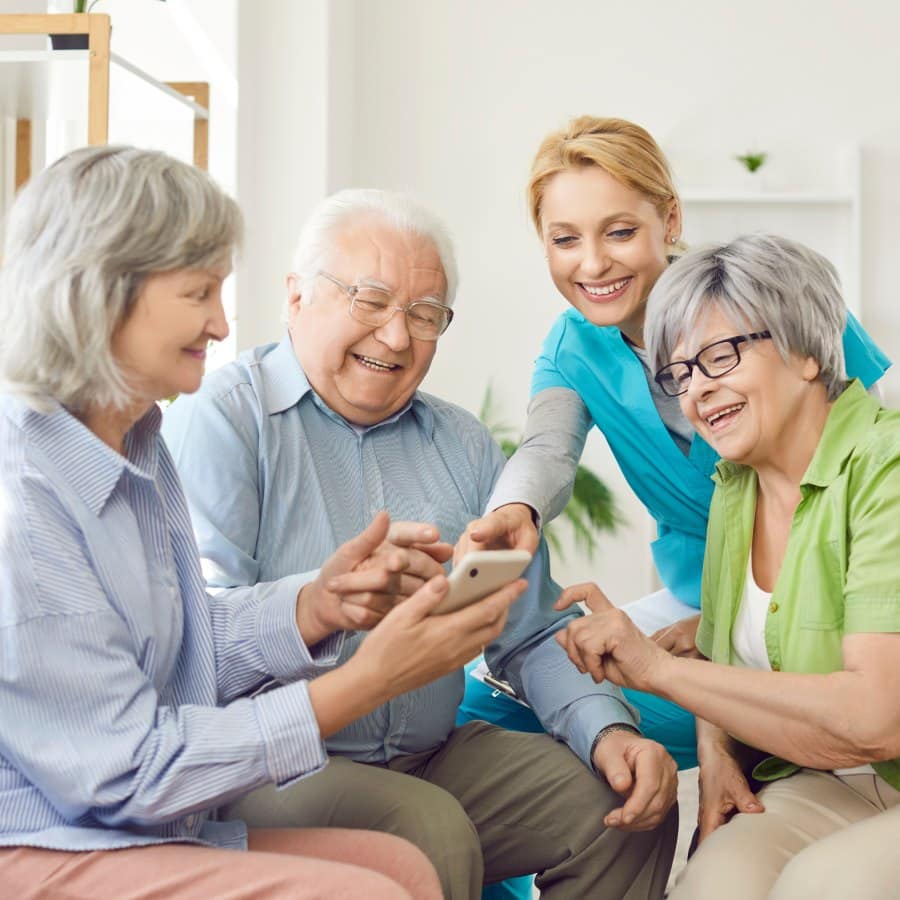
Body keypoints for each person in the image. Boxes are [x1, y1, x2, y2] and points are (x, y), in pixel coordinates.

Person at [0, 144, 544, 900]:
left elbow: (187, 650)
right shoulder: (22, 505)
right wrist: (365, 680)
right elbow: (130, 772)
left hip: (132, 821)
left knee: (406, 869)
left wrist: (315, 604)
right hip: (50, 837)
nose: (223, 325)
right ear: (103, 295)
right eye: (199, 293)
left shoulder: (140, 444)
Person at [162, 188, 680, 900]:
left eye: (424, 315)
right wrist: (324, 604)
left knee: (617, 806)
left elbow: (530, 635)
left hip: (428, 753)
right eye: (370, 301)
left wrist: (608, 734)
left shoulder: (463, 443)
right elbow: (194, 640)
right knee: (426, 826)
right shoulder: (223, 418)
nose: (398, 337)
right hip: (272, 766)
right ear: (296, 297)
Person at [456, 116, 890, 771]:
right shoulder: (574, 347)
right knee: (492, 697)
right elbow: (546, 449)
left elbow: (870, 459)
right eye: (564, 239)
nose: (593, 263)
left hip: (825, 593)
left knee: (604, 703)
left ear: (671, 219)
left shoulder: (766, 298)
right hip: (697, 595)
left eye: (620, 231)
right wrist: (512, 512)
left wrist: (734, 633)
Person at [554, 233, 900, 899]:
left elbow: (876, 714)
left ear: (804, 351)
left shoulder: (886, 466)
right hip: (821, 780)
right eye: (681, 374)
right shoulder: (734, 488)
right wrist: (714, 755)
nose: (698, 393)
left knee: (818, 887)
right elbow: (720, 655)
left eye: (720, 356)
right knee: (710, 887)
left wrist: (660, 670)